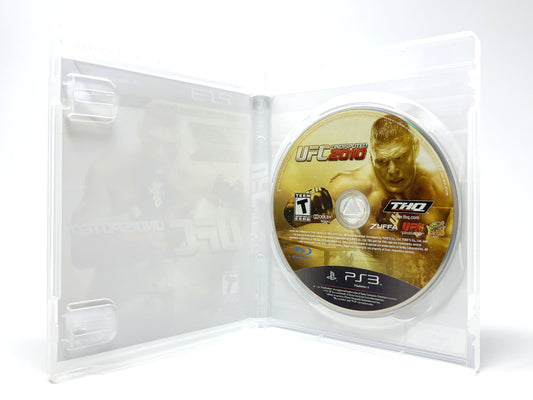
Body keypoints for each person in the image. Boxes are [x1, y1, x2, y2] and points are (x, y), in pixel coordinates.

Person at [283, 114, 453, 287]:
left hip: (435, 288)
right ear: (371, 156)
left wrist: (408, 231)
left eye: (400, 158)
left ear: (415, 148)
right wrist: (310, 204)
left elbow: (452, 254)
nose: (392, 170)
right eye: (383, 162)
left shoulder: (441, 187)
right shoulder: (354, 186)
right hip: (370, 287)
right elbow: (292, 216)